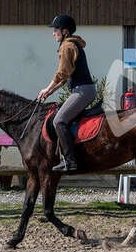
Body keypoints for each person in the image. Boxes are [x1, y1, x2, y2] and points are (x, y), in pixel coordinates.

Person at [37, 15, 96, 172]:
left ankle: (70, 160)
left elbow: (61, 74)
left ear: (64, 31)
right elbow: (64, 79)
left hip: (82, 91)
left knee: (59, 121)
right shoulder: (70, 44)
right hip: (83, 90)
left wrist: (46, 89)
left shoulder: (67, 46)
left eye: (55, 30)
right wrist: (49, 92)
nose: (53, 33)